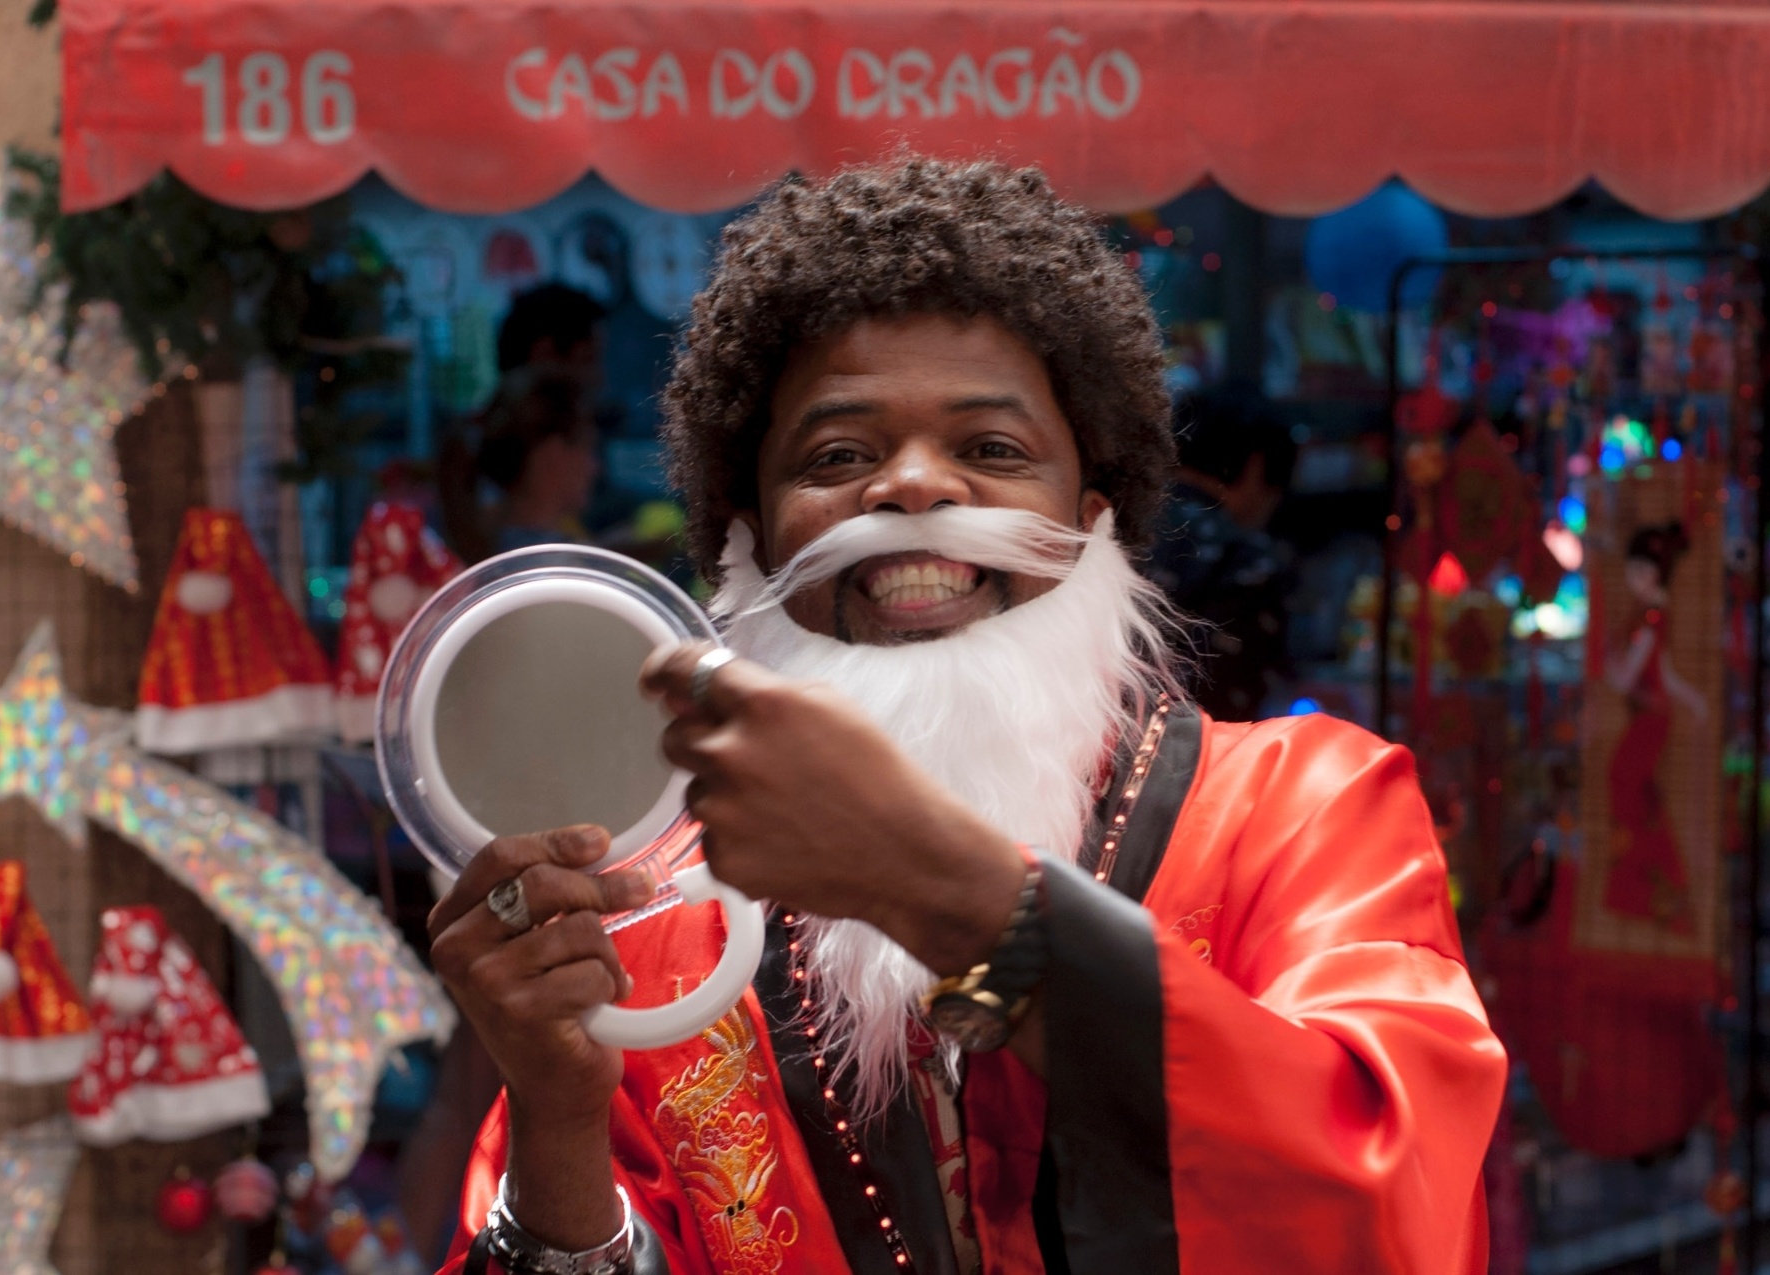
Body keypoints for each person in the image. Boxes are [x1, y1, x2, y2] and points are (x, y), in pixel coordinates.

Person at [428, 158, 1504, 1275]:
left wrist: (936, 886)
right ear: (749, 542)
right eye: (839, 456)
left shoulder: (1306, 811)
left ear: (1091, 519)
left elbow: (1389, 1211)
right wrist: (553, 1117)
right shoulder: (650, 920)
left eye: (990, 450)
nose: (913, 488)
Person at [1146, 385, 1299, 719]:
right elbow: (1240, 713)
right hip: (1197, 760)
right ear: (1258, 467)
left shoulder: (1106, 520)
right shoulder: (1244, 559)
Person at [1603, 520, 1707, 931]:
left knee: (1626, 785)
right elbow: (1662, 673)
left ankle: (1650, 885)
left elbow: (1632, 675)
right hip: (1652, 717)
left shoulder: (1649, 619)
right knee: (1640, 798)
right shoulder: (1648, 616)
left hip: (1650, 719)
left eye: (1644, 572)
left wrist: (1612, 670)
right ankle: (1659, 887)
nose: (1636, 581)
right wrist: (1693, 701)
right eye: (1633, 572)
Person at [476, 370, 602, 554]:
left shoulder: (486, 549)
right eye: (587, 447)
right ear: (553, 454)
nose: (594, 467)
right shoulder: (569, 568)